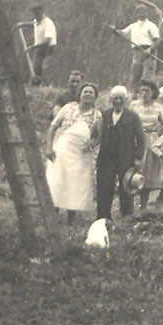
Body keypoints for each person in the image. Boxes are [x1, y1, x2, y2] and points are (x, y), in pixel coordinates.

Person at [44, 82, 101, 222]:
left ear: (95, 97)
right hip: (62, 149)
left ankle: (71, 219)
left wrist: (92, 143)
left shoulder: (97, 115)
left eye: (91, 93)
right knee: (58, 180)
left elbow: (99, 135)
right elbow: (53, 126)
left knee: (76, 183)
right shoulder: (68, 108)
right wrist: (49, 147)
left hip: (81, 154)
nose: (87, 94)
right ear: (80, 94)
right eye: (85, 92)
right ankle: (53, 216)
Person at [95, 85, 146, 221]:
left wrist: (137, 158)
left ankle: (127, 217)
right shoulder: (104, 114)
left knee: (126, 188)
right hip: (107, 157)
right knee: (104, 187)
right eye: (115, 98)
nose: (118, 101)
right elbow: (98, 134)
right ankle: (103, 217)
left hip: (126, 158)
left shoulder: (133, 116)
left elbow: (141, 138)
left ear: (126, 100)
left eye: (121, 99)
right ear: (111, 99)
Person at [132, 79, 163, 212]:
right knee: (132, 172)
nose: (143, 93)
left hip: (150, 141)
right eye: (141, 90)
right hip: (135, 139)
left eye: (147, 90)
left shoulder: (159, 107)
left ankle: (143, 206)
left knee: (147, 174)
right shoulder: (134, 105)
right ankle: (128, 207)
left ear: (153, 92)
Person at [109, 5, 160, 92]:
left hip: (149, 53)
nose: (142, 14)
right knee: (134, 76)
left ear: (147, 14)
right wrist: (114, 30)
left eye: (144, 12)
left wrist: (150, 49)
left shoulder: (151, 25)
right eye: (139, 12)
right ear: (136, 14)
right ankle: (133, 96)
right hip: (137, 52)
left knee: (147, 77)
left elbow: (157, 41)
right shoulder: (133, 26)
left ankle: (149, 96)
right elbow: (122, 33)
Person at [15, 4, 57, 86]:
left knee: (45, 70)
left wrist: (32, 47)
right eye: (34, 14)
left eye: (37, 14)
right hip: (39, 49)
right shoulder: (37, 20)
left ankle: (45, 87)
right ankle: (36, 87)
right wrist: (22, 24)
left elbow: (47, 42)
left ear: (42, 12)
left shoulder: (48, 23)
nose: (35, 16)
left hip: (48, 49)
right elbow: (33, 24)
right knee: (35, 69)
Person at [134, 0, 163, 67]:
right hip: (156, 42)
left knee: (160, 63)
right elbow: (154, 7)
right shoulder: (162, 18)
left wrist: (153, 45)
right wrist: (141, 1)